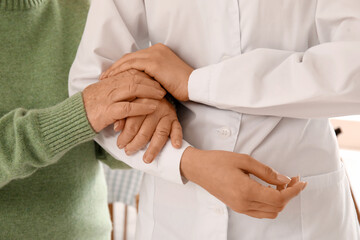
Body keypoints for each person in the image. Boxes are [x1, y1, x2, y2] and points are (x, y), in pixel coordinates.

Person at [69, 0, 360, 239]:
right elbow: (95, 88)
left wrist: (198, 83)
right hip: (177, 217)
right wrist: (185, 162)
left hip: (300, 218)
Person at [0, 1, 170, 239]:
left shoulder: (88, 12)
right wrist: (81, 114)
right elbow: (89, 114)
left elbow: (109, 147)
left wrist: (145, 111)